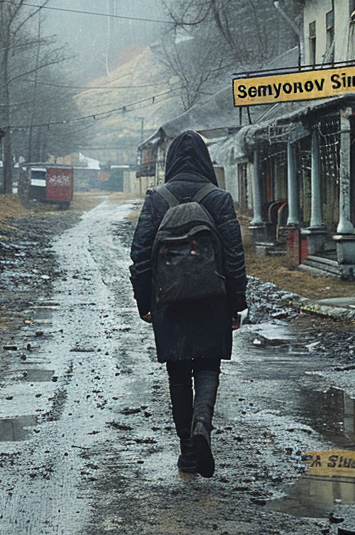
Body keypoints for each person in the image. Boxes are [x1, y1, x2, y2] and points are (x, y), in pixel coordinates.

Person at [129, 130, 247, 477]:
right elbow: (234, 256)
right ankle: (202, 425)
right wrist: (236, 303)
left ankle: (187, 453)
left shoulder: (157, 198)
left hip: (169, 301)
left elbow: (139, 256)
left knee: (178, 375)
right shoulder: (219, 198)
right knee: (208, 367)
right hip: (213, 298)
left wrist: (143, 302)